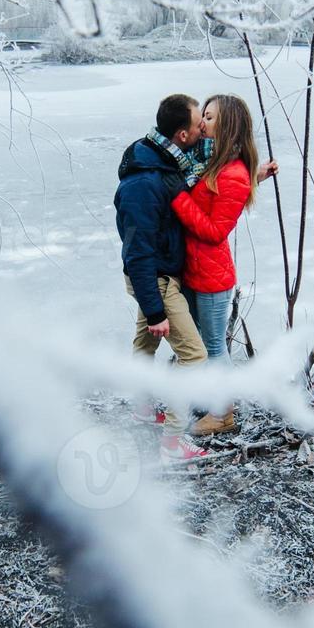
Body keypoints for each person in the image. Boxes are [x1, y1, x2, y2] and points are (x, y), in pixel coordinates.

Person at [170, 93, 278, 436]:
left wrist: (177, 198)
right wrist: (255, 177)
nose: (202, 122)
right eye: (203, 115)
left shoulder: (230, 172)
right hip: (195, 271)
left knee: (214, 348)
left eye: (211, 117)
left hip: (212, 279)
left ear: (228, 125)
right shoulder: (212, 162)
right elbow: (217, 195)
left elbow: (216, 230)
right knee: (199, 344)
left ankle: (222, 413)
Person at [114, 94, 210, 447]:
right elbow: (137, 251)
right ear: (182, 135)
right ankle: (173, 441)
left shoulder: (164, 162)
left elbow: (192, 182)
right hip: (155, 277)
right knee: (194, 356)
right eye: (199, 123)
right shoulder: (144, 184)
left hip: (153, 274)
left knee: (144, 343)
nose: (203, 127)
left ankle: (141, 407)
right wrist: (155, 309)